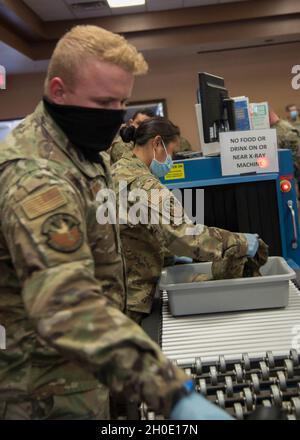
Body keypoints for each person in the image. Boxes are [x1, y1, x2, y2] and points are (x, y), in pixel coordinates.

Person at [0, 24, 233, 420]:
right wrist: (175, 394)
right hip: (46, 390)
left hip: (93, 367)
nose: (116, 118)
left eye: (121, 103)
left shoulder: (84, 149)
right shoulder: (36, 176)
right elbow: (66, 304)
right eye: (104, 102)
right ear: (58, 91)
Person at [111, 117, 259, 324]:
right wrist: (239, 241)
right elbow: (184, 236)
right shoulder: (143, 184)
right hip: (131, 296)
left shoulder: (121, 168)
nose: (171, 161)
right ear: (156, 143)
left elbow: (134, 228)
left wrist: (165, 254)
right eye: (171, 152)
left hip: (117, 286)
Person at [269, 108, 300, 178]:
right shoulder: (281, 126)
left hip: (293, 170)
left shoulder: (284, 128)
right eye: (291, 110)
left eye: (295, 110)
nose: (294, 112)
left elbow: (297, 153)